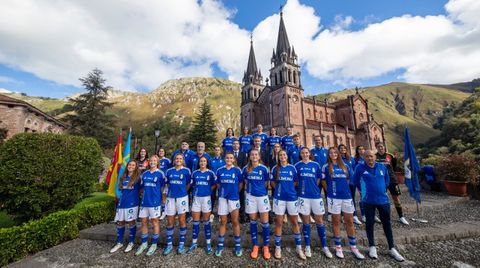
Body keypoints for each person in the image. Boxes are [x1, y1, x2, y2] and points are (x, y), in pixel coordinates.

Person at [353, 150, 405, 262]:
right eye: (367, 157)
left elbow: (387, 180)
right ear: (364, 158)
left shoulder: (382, 167)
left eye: (371, 156)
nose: (369, 158)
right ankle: (372, 246)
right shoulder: (359, 168)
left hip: (383, 200)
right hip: (368, 201)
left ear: (375, 157)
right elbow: (356, 181)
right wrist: (364, 191)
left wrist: (381, 189)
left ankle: (392, 248)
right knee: (370, 223)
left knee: (387, 224)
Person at [322, 147, 365, 259]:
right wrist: (330, 191)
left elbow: (353, 179)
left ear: (338, 154)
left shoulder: (345, 165)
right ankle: (338, 246)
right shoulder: (326, 167)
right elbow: (323, 181)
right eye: (331, 153)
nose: (333, 154)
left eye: (335, 152)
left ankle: (353, 246)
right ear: (329, 155)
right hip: (333, 198)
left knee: (349, 221)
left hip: (346, 197)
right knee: (336, 221)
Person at [295, 147, 332, 258]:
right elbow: (296, 181)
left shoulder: (316, 165)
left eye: (306, 152)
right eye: (302, 153)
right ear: (300, 154)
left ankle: (325, 246)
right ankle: (307, 246)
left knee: (319, 221)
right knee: (306, 222)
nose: (305, 154)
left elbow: (318, 179)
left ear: (309, 154)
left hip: (315, 196)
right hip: (303, 197)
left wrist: (314, 187)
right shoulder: (297, 166)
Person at [270, 150, 306, 260]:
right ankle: (277, 247)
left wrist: (289, 189)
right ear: (278, 157)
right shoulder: (275, 168)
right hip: (279, 199)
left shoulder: (292, 168)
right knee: (279, 222)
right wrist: (280, 190)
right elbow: (272, 182)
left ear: (287, 156)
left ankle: (299, 247)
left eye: (284, 155)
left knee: (294, 222)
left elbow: (296, 182)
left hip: (291, 198)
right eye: (280, 155)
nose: (282, 156)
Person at [242, 149, 271, 260]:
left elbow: (267, 182)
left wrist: (260, 190)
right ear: (250, 157)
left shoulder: (263, 169)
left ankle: (266, 247)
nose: (254, 156)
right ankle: (255, 245)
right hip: (250, 197)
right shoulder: (246, 169)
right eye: (252, 154)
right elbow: (245, 181)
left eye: (256, 154)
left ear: (259, 157)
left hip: (262, 197)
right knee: (253, 220)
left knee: (265, 222)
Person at [135, 155, 166, 256]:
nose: (152, 162)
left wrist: (163, 202)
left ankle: (154, 244)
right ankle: (144, 244)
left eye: (154, 160)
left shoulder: (161, 174)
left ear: (157, 162)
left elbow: (163, 189)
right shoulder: (145, 174)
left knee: (155, 222)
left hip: (155, 203)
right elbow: (142, 188)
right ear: (149, 162)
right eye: (151, 160)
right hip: (145, 202)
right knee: (143, 222)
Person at [215, 152, 243, 257]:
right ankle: (220, 245)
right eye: (227, 157)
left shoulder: (237, 170)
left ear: (234, 159)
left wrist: (235, 192)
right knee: (223, 221)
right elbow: (218, 184)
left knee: (235, 221)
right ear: (224, 159)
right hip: (222, 199)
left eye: (231, 158)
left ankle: (238, 246)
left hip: (234, 198)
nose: (229, 159)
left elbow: (241, 183)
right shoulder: (220, 170)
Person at [110, 160, 141, 254]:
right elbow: (120, 189)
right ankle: (119, 242)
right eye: (129, 165)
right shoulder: (123, 176)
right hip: (122, 202)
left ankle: (131, 242)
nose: (131, 166)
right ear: (127, 166)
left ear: (136, 167)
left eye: (133, 165)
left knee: (131, 222)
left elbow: (142, 189)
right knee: (120, 222)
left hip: (132, 203)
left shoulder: (138, 177)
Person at [163, 154, 191, 255]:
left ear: (183, 160)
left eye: (180, 159)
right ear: (174, 160)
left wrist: (183, 191)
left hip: (182, 198)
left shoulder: (186, 171)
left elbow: (188, 183)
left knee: (182, 220)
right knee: (170, 221)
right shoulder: (169, 171)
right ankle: (169, 245)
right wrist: (164, 197)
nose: (178, 160)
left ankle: (181, 244)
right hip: (170, 198)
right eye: (176, 159)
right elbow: (166, 185)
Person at [375, 142, 409, 225]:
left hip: (392, 179)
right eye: (378, 147)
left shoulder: (390, 156)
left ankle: (401, 216)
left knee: (396, 198)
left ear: (384, 147)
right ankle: (381, 215)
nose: (380, 148)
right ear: (376, 148)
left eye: (382, 146)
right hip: (380, 180)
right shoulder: (375, 156)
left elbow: (393, 166)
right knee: (381, 198)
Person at [189, 156, 217, 254]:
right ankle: (194, 243)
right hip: (196, 199)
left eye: (204, 161)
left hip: (206, 199)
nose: (202, 162)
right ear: (199, 162)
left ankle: (208, 244)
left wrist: (208, 191)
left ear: (207, 163)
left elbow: (214, 184)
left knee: (206, 222)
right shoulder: (195, 173)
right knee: (195, 222)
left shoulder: (211, 173)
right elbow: (191, 184)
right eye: (201, 161)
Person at [338, 144, 362, 225]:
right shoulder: (338, 159)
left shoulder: (351, 158)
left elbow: (355, 169)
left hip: (352, 181)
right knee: (343, 199)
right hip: (343, 182)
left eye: (344, 148)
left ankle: (354, 215)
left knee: (352, 198)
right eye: (341, 148)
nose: (343, 149)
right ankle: (343, 215)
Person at [233, 140, 248, 223]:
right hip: (232, 178)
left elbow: (245, 164)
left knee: (241, 196)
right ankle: (231, 216)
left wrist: (240, 173)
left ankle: (242, 216)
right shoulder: (229, 153)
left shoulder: (243, 154)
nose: (235, 145)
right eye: (234, 144)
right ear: (232, 145)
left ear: (239, 145)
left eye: (237, 144)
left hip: (240, 177)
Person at [209, 146, 225, 222]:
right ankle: (210, 213)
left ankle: (220, 213)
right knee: (212, 196)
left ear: (220, 151)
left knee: (220, 197)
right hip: (212, 181)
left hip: (221, 181)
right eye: (216, 150)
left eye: (218, 150)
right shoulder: (211, 160)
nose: (217, 151)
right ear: (214, 151)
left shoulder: (223, 160)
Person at [157, 147, 172, 219]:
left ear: (164, 152)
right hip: (156, 180)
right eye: (160, 151)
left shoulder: (167, 160)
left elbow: (170, 170)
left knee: (164, 196)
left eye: (162, 151)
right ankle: (157, 211)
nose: (161, 152)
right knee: (157, 195)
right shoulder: (155, 159)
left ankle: (164, 212)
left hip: (164, 181)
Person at [353, 145, 366, 222]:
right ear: (357, 151)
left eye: (362, 149)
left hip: (368, 180)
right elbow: (354, 170)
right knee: (362, 197)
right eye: (359, 149)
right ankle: (363, 215)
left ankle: (372, 214)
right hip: (360, 181)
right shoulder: (355, 159)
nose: (361, 151)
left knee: (369, 197)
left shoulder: (367, 157)